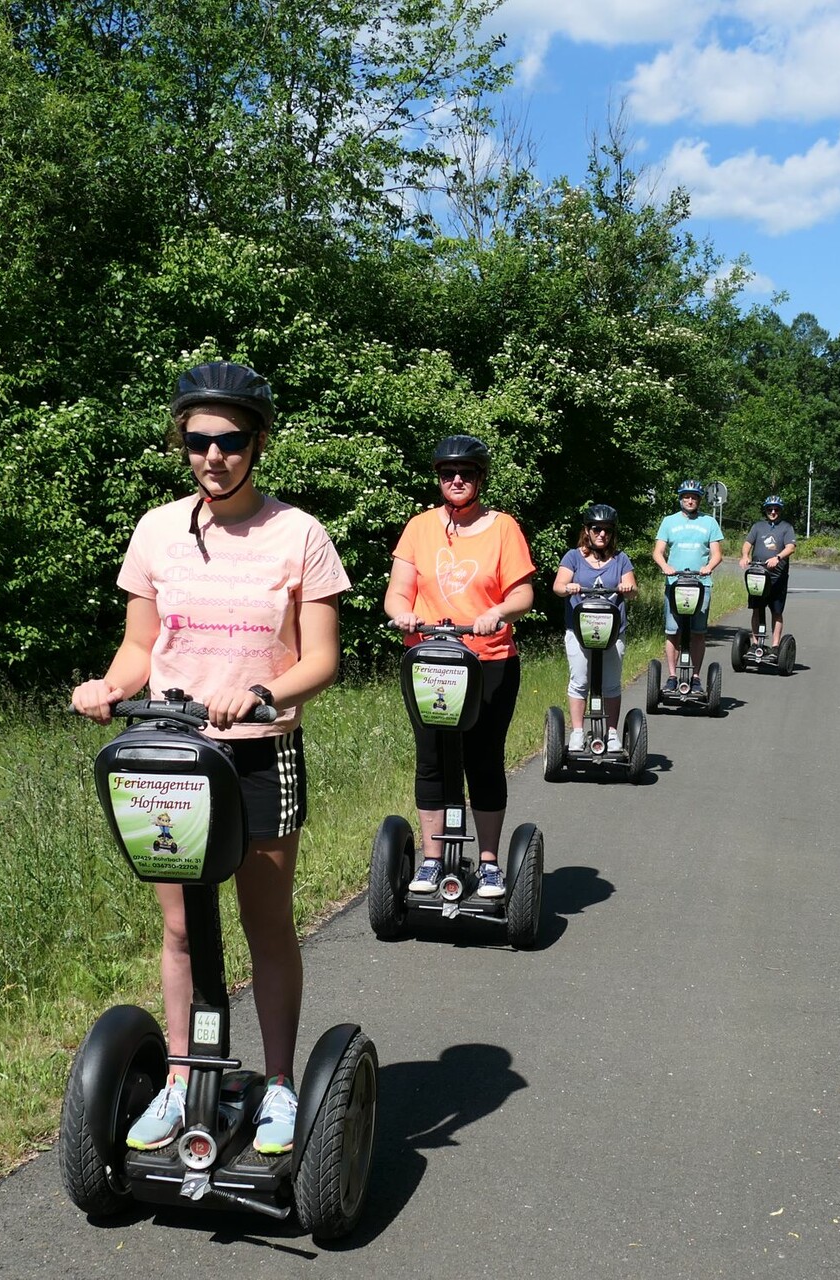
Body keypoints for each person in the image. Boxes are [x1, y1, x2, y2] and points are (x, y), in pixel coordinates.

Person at [71, 360, 349, 1156]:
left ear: (257, 443)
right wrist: (106, 686)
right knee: (183, 931)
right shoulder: (157, 529)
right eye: (198, 441)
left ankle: (281, 1087)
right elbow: (139, 645)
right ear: (182, 443)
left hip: (259, 754)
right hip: (170, 754)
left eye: (230, 440)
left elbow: (321, 660)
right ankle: (181, 1075)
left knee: (266, 927)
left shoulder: (300, 534)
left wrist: (261, 691)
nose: (213, 456)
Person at [384, 435, 537, 900]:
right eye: (448, 473)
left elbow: (524, 594)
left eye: (466, 473)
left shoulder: (503, 527)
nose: (456, 480)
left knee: (483, 759)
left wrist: (500, 613)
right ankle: (432, 860)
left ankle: (489, 864)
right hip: (431, 661)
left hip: (489, 661)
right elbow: (397, 591)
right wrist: (403, 613)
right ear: (438, 479)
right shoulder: (420, 527)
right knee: (431, 759)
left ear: (480, 478)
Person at [551, 504, 639, 751]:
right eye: (597, 529)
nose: (602, 534)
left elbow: (632, 590)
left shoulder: (621, 559)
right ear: (587, 530)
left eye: (607, 530)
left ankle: (612, 734)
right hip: (579, 631)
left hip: (613, 632)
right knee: (579, 680)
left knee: (611, 682)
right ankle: (578, 732)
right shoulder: (573, 557)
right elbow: (558, 586)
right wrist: (569, 587)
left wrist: (627, 588)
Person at [651, 479, 723, 694]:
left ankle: (696, 678)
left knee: (698, 633)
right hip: (675, 583)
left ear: (699, 499)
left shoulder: (709, 522)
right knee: (672, 631)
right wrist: (665, 566)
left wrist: (708, 567)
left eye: (694, 497)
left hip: (701, 584)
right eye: (686, 497)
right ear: (681, 498)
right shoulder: (669, 521)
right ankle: (672, 677)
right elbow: (657, 551)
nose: (690, 500)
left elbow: (717, 554)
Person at [739, 494, 798, 645]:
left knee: (776, 611)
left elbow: (790, 547)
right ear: (766, 510)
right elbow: (747, 543)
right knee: (757, 609)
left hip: (777, 577)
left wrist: (777, 558)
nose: (773, 512)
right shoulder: (758, 526)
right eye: (770, 509)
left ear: (780, 510)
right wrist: (745, 555)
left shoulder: (786, 527)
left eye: (776, 509)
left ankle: (775, 645)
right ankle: (755, 642)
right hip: (757, 574)